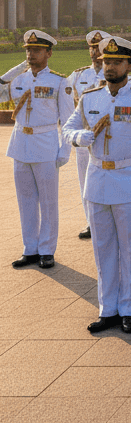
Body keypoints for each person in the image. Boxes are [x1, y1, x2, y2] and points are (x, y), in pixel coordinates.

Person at [62, 36, 131, 334]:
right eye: (107, 61)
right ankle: (108, 309)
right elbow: (68, 127)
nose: (110, 67)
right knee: (102, 248)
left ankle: (130, 309)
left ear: (130, 65)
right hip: (97, 181)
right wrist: (78, 137)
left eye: (117, 62)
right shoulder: (91, 97)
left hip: (129, 180)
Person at [2, 30, 73, 269]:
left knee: (48, 201)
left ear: (49, 53)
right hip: (21, 144)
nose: (31, 54)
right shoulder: (19, 80)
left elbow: (68, 120)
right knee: (26, 200)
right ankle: (30, 249)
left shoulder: (59, 82)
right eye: (28, 51)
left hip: (45, 145)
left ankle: (47, 250)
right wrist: (20, 66)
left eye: (36, 50)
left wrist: (65, 151)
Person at [68, 29, 110, 240]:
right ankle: (91, 222)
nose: (94, 51)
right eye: (92, 47)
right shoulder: (79, 75)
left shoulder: (114, 73)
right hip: (85, 137)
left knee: (108, 181)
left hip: (108, 138)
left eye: (99, 47)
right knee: (85, 183)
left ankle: (108, 222)